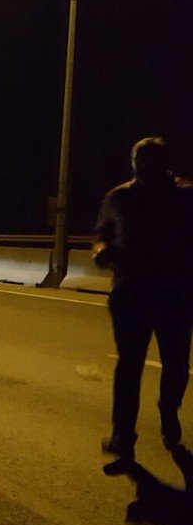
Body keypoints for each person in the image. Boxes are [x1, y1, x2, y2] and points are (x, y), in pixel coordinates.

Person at [95, 136, 193, 459]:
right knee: (129, 367)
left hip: (174, 294)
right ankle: (123, 435)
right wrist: (102, 251)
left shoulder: (186, 197)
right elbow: (101, 234)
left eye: (153, 162)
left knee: (177, 366)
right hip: (131, 294)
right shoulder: (118, 198)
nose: (147, 168)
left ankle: (168, 410)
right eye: (142, 162)